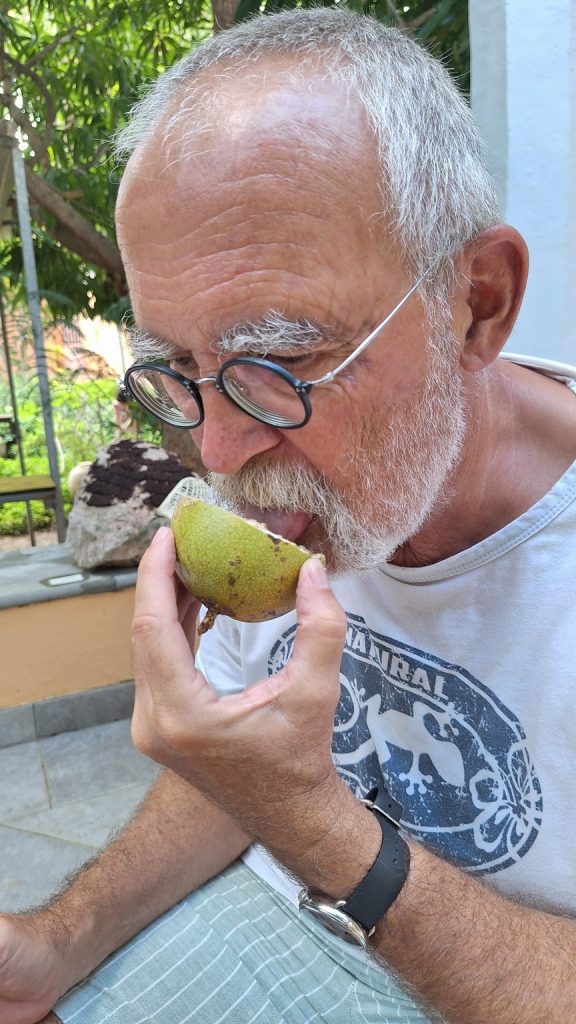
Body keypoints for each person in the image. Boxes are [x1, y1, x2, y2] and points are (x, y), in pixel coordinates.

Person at [2, 9, 576, 1023]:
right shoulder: (303, 508)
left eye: (279, 362)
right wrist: (56, 941)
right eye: (180, 366)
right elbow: (242, 769)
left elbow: (282, 796)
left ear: (476, 302)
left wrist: (318, 826)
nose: (220, 454)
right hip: (263, 929)